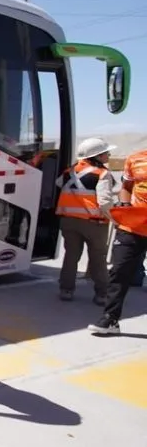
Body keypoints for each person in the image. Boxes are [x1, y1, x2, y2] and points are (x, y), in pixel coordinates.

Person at [89, 145, 147, 334]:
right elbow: (127, 187)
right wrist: (123, 206)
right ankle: (110, 319)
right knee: (119, 270)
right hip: (133, 226)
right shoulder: (135, 158)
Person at [54, 137, 117, 304]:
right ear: (96, 156)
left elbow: (59, 183)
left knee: (71, 256)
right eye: (105, 153)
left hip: (69, 221)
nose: (108, 155)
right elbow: (104, 202)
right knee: (98, 258)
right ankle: (102, 294)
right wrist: (115, 219)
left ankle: (66, 290)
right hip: (94, 223)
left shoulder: (70, 171)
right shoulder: (102, 174)